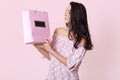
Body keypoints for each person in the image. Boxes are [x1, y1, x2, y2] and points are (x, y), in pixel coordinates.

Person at [33, 1, 93, 80]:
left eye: (69, 12)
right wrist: (36, 45)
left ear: (77, 16)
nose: (66, 14)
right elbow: (51, 57)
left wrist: (51, 50)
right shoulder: (58, 31)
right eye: (66, 11)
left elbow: (71, 64)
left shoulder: (82, 40)